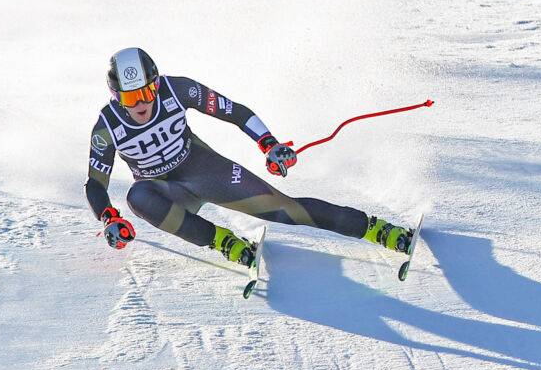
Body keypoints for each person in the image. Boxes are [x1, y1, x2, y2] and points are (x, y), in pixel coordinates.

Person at [84, 47, 412, 267]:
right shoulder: (106, 127)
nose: (141, 104)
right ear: (115, 97)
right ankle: (222, 242)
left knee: (285, 210)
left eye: (147, 92)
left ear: (157, 84)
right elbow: (95, 185)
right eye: (130, 98)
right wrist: (108, 218)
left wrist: (269, 143)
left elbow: (234, 111)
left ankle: (375, 229)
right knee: (136, 196)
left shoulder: (178, 88)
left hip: (201, 168)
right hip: (164, 192)